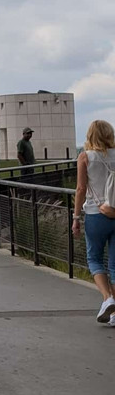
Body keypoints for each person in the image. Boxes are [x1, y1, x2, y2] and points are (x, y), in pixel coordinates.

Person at [73, 120, 115, 325]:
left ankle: (107, 299)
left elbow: (81, 189)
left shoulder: (85, 157)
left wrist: (75, 218)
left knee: (95, 259)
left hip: (95, 214)